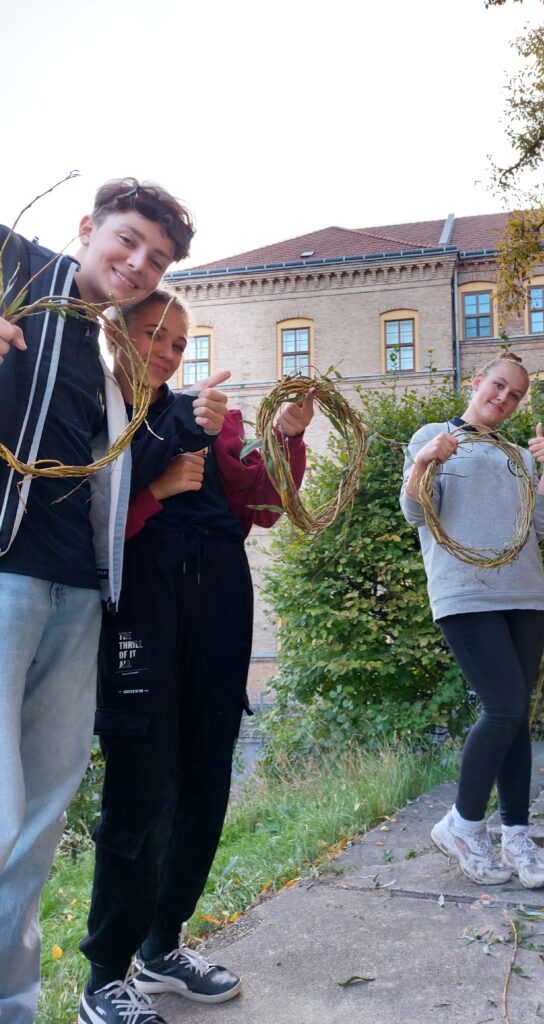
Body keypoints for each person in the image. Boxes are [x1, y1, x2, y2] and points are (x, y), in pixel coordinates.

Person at [0, 179, 220, 1024]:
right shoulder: (17, 266)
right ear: (88, 228)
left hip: (81, 593)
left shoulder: (107, 355)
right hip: (9, 575)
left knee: (40, 822)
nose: (138, 264)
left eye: (157, 259)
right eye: (127, 242)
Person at [77, 289, 313, 1024]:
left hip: (216, 620)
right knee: (142, 794)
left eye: (179, 343)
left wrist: (282, 435)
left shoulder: (212, 415)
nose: (169, 352)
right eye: (155, 335)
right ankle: (104, 978)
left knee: (205, 785)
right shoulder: (94, 414)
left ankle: (162, 948)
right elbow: (79, 525)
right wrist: (154, 485)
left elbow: (267, 507)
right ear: (116, 331)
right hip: (143, 622)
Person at [400, 351, 544, 887]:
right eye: (498, 386)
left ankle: (516, 835)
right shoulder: (434, 435)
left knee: (517, 717)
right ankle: (463, 825)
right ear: (476, 381)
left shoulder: (516, 453)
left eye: (515, 395)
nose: (504, 399)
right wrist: (425, 462)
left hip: (525, 593)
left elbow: (540, 526)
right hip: (466, 594)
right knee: (503, 706)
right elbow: (417, 513)